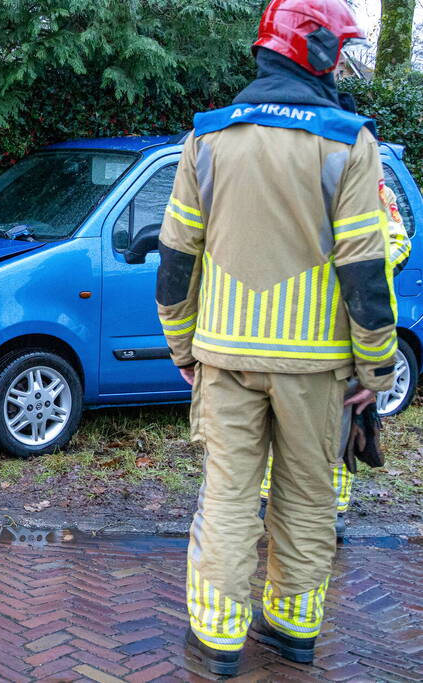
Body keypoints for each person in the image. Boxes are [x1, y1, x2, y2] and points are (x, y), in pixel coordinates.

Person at [156, 0, 398, 675]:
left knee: (227, 498)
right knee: (306, 497)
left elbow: (174, 259)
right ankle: (292, 632)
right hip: (316, 369)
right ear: (314, 51)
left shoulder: (206, 138)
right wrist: (373, 372)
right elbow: (364, 274)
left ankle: (217, 641)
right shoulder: (349, 141)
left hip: (223, 362)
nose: (342, 63)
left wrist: (182, 348)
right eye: (339, 50)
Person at [258, 179, 410, 537]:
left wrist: (358, 267)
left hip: (345, 326)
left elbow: (397, 243)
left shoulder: (374, 190)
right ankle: (269, 502)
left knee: (343, 421)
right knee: (279, 416)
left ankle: (333, 512)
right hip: (296, 325)